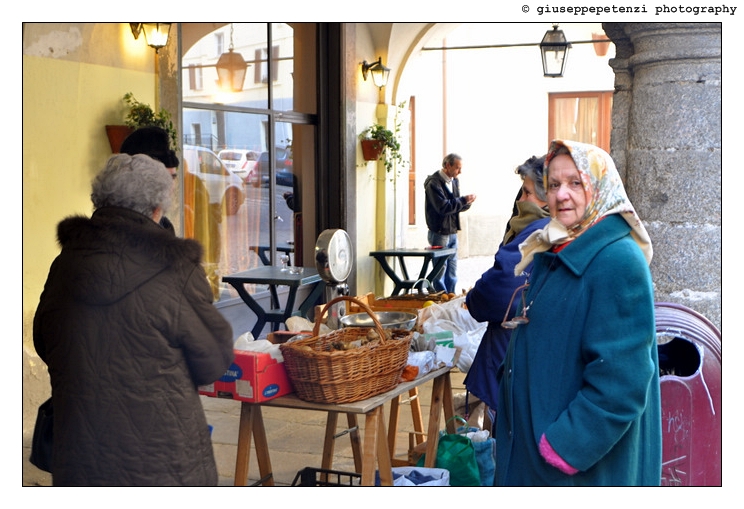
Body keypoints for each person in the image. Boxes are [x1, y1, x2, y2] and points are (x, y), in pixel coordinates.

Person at [33, 153, 234, 486]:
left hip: (81, 458)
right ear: (157, 209)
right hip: (163, 461)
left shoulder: (65, 265)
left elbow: (44, 341)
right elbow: (212, 361)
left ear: (100, 202)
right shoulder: (177, 270)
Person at [495, 140, 661, 486]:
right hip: (536, 455)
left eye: (575, 182)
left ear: (599, 186)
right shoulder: (559, 246)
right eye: (554, 184)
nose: (561, 194)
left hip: (578, 473)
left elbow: (622, 381)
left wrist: (565, 446)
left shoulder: (617, 261)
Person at [464, 155, 550, 433]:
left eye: (527, 192)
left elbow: (501, 287)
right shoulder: (543, 229)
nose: (520, 200)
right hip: (522, 355)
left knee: (508, 437)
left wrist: (473, 299)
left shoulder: (541, 233)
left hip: (516, 357)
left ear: (547, 199)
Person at [423, 153, 476, 293]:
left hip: (452, 231)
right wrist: (463, 200)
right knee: (440, 270)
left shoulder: (454, 181)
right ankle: (441, 297)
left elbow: (454, 206)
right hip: (439, 232)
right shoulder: (433, 183)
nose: (460, 171)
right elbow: (443, 207)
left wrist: (467, 203)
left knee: (452, 269)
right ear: (447, 165)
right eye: (458, 168)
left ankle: (451, 295)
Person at [120, 126, 180, 234]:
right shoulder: (115, 230)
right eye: (162, 178)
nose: (169, 186)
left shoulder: (165, 226)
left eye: (172, 178)